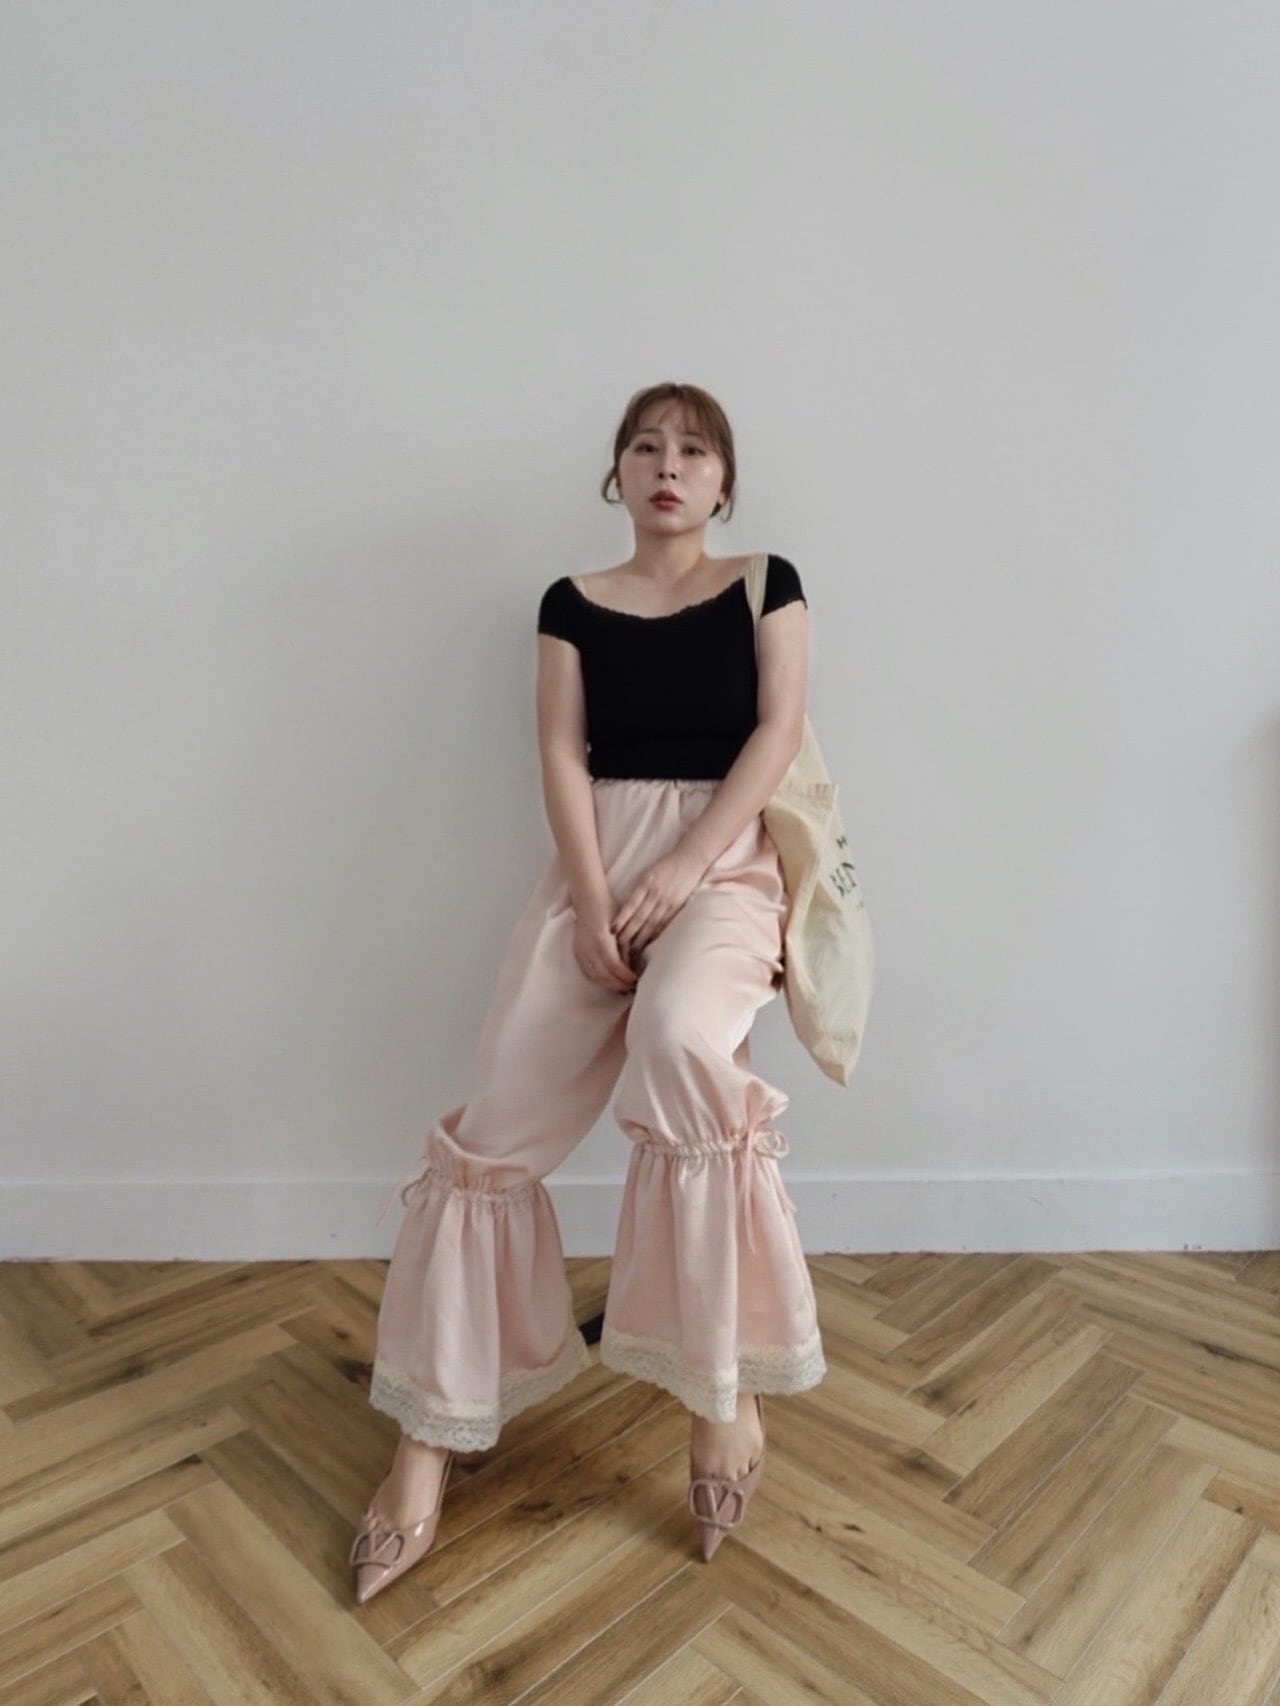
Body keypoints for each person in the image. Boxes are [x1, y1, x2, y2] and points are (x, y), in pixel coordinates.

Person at [350, 380, 828, 1601]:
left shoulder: (765, 583)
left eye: (694, 450)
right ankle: (426, 1437)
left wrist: (681, 867)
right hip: (592, 867)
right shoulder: (569, 601)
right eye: (646, 446)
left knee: (679, 1041)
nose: (669, 465)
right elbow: (560, 750)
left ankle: (719, 1396)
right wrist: (594, 890)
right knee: (494, 1118)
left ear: (723, 482)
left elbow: (776, 733)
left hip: (723, 866)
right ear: (616, 474)